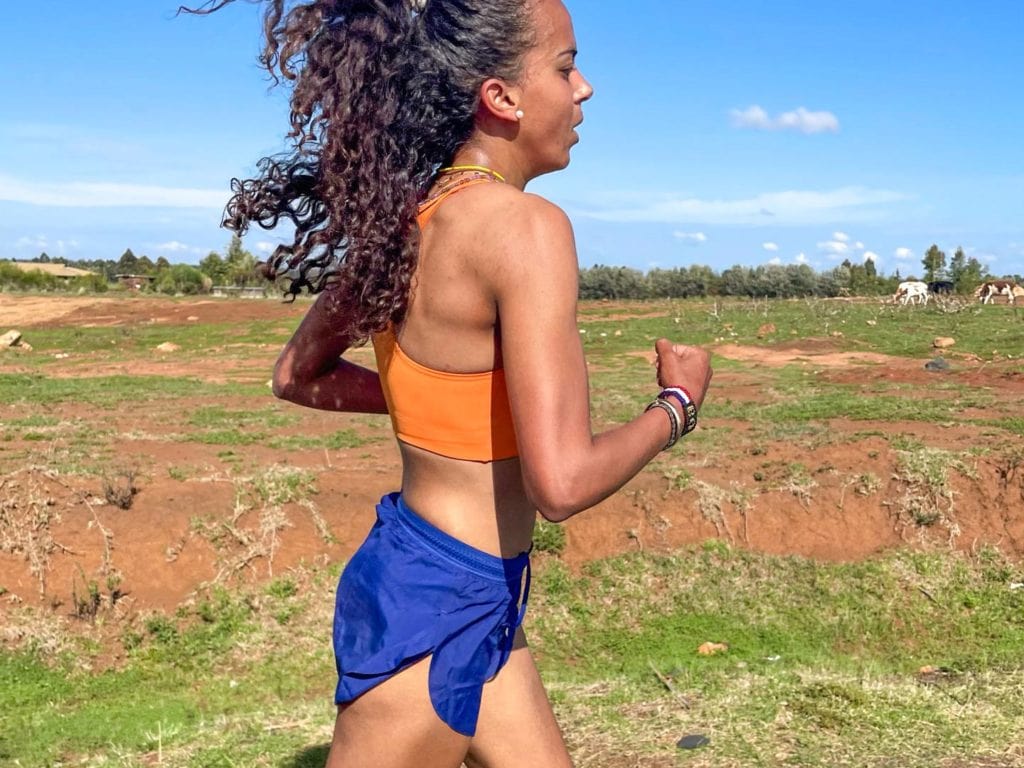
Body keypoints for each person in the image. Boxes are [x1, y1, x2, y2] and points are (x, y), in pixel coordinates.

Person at [197, 0, 712, 765]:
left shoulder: (406, 221)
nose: (585, 90)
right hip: (438, 608)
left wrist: (419, 396)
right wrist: (677, 406)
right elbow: (562, 484)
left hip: (468, 589)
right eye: (566, 68)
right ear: (499, 97)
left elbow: (294, 375)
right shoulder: (527, 230)